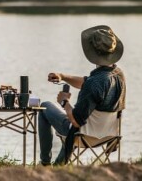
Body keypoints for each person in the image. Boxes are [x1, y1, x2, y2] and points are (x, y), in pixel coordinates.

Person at [39, 25, 126, 165]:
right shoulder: (118, 75)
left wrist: (64, 102)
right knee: (78, 120)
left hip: (83, 135)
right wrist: (62, 76)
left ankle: (45, 163)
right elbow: (87, 83)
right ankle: (58, 166)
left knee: (45, 107)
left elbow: (75, 121)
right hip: (108, 135)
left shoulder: (95, 83)